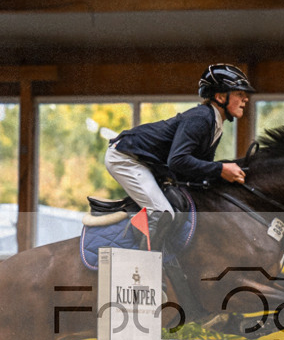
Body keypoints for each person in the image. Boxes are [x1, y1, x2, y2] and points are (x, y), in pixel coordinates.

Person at [104, 63, 254, 251]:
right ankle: (142, 269)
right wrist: (221, 169)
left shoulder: (215, 124)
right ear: (220, 96)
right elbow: (177, 161)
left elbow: (196, 169)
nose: (245, 99)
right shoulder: (201, 118)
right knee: (162, 212)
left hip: (143, 160)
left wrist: (223, 173)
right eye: (239, 94)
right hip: (125, 158)